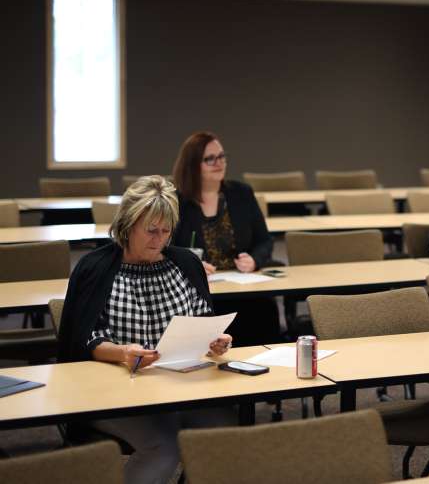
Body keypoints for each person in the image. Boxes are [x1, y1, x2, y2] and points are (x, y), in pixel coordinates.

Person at [57, 175, 234, 484]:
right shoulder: (95, 269)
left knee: (223, 437)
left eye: (166, 231)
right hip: (116, 390)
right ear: (127, 225)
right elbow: (85, 339)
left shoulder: (185, 264)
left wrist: (214, 341)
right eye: (151, 231)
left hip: (178, 386)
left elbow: (204, 318)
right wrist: (123, 352)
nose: (159, 239)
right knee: (163, 447)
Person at [172, 132, 282, 345]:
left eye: (221, 156)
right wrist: (191, 265)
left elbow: (264, 241)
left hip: (243, 288)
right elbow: (165, 249)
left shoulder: (241, 193)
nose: (219, 163)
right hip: (200, 294)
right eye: (210, 159)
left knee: (264, 309)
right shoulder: (178, 201)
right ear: (192, 164)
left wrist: (255, 260)